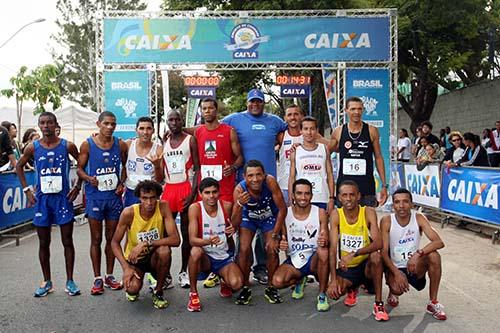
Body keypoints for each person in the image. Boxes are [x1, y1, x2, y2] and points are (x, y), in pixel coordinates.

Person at [222, 89, 287, 285]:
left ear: (264, 103)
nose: (255, 105)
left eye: (259, 101)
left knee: (265, 229)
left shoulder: (275, 121)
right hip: (245, 183)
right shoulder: (234, 119)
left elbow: (292, 132)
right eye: (252, 101)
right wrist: (183, 131)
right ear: (247, 102)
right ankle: (239, 269)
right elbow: (211, 126)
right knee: (245, 229)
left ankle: (261, 269)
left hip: (268, 183)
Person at [15, 112, 82, 297]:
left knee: (67, 241)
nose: (46, 126)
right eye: (42, 123)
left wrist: (78, 185)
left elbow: (82, 164)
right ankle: (47, 281)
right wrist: (27, 190)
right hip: (43, 201)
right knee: (44, 242)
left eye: (49, 123)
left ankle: (70, 281)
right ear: (39, 125)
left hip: (63, 199)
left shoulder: (67, 145)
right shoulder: (33, 147)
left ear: (56, 125)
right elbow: (18, 166)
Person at [77, 111, 128, 295]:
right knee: (96, 239)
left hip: (113, 198)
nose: (109, 127)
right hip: (95, 198)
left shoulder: (120, 144)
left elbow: (125, 167)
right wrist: (89, 178)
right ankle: (97, 277)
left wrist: (122, 183)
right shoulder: (88, 144)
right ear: (98, 124)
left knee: (112, 239)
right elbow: (79, 169)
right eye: (106, 123)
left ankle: (109, 275)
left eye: (113, 124)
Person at [111, 180, 180, 309]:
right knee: (132, 289)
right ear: (139, 197)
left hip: (154, 256)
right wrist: (126, 267)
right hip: (135, 259)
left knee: (165, 250)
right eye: (145, 198)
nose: (149, 203)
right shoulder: (129, 213)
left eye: (152, 198)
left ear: (158, 197)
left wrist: (146, 243)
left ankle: (158, 291)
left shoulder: (163, 207)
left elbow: (176, 240)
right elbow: (114, 242)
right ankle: (138, 279)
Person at [380, 188, 447, 320]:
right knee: (396, 289)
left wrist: (418, 254)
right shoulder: (387, 221)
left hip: (414, 265)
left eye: (405, 202)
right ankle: (392, 293)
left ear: (411, 204)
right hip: (396, 267)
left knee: (434, 256)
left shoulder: (419, 218)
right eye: (397, 202)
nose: (401, 206)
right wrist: (397, 273)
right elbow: (383, 252)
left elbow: (438, 242)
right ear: (393, 205)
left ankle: (433, 303)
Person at [327, 180, 389, 322]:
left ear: (359, 196)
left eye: (352, 195)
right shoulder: (336, 214)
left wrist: (354, 253)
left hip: (366, 265)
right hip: (348, 267)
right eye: (345, 195)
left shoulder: (368, 212)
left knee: (376, 256)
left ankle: (378, 304)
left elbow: (379, 243)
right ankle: (352, 288)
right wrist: (333, 280)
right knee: (335, 293)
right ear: (339, 198)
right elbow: (332, 249)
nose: (348, 199)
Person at [232, 160, 287, 305]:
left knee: (271, 248)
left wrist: (276, 235)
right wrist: (239, 205)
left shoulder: (270, 182)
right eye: (250, 176)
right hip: (248, 218)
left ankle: (271, 287)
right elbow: (234, 222)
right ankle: (244, 287)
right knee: (243, 250)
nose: (255, 179)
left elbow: (282, 209)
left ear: (264, 175)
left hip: (268, 216)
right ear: (244, 177)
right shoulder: (239, 190)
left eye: (258, 175)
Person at [186, 177, 244, 311]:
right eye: (207, 192)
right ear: (200, 194)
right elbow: (192, 240)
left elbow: (235, 225)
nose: (211, 196)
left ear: (219, 192)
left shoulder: (227, 206)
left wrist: (233, 228)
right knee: (195, 251)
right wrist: (208, 241)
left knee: (237, 284)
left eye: (214, 192)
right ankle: (193, 293)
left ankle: (223, 279)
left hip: (222, 256)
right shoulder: (195, 208)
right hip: (205, 256)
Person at [272, 179, 330, 312]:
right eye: (299, 193)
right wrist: (281, 242)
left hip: (315, 260)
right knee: (277, 282)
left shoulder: (320, 212)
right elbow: (280, 237)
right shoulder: (285, 213)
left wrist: (324, 238)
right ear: (292, 195)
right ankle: (299, 280)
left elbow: (325, 234)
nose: (303, 197)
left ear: (311, 196)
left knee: (323, 251)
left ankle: (322, 294)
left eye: (307, 194)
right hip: (295, 259)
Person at [160, 109, 200, 288]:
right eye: (171, 120)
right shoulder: (165, 140)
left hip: (186, 188)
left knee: (186, 233)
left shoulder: (190, 140)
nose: (174, 122)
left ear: (182, 120)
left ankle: (184, 271)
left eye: (177, 119)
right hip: (169, 189)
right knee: (166, 233)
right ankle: (165, 273)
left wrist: (192, 194)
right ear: (167, 122)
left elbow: (198, 169)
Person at [330, 96, 388, 207]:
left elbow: (378, 157)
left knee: (367, 221)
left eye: (359, 109)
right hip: (345, 187)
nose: (356, 112)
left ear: (363, 110)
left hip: (366, 186)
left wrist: (384, 185)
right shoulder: (338, 131)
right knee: (344, 222)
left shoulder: (372, 130)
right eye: (353, 109)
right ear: (346, 110)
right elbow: (328, 151)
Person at [194, 98, 243, 202]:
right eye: (204, 108)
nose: (207, 111)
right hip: (205, 189)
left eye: (211, 108)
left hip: (224, 188)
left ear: (216, 110)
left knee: (225, 217)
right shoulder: (198, 132)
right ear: (201, 112)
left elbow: (240, 157)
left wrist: (233, 168)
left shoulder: (229, 131)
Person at [289, 116, 334, 212]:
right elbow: (292, 177)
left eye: (312, 129)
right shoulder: (295, 151)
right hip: (302, 199)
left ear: (317, 130)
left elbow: (330, 174)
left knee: (323, 226)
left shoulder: (324, 149)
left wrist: (331, 198)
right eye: (305, 129)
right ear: (301, 131)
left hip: (322, 198)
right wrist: (291, 198)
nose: (309, 132)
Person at [123, 117, 163, 207]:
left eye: (148, 128)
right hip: (131, 192)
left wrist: (156, 166)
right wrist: (98, 135)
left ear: (153, 130)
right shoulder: (128, 144)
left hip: (150, 194)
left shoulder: (159, 149)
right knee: (131, 220)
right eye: (141, 128)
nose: (145, 132)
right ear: (136, 130)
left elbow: (160, 180)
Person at [277, 104, 304, 204]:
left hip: (305, 185)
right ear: (285, 118)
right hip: (285, 185)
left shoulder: (309, 134)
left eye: (296, 114)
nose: (293, 117)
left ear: (301, 116)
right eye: (289, 115)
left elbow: (328, 147)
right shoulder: (281, 136)